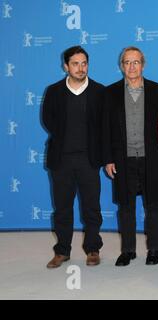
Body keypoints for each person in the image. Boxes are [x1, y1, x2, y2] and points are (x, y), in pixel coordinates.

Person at [42, 46, 104, 268]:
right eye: (76, 63)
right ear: (66, 66)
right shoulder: (54, 91)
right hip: (62, 160)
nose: (81, 68)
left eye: (84, 63)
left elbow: (104, 127)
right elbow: (48, 120)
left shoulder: (99, 91)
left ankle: (93, 248)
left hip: (89, 160)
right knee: (62, 208)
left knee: (91, 207)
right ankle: (62, 251)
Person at [103, 47, 158, 267]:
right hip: (123, 159)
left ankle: (154, 249)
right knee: (126, 207)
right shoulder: (109, 93)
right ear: (121, 66)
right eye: (127, 62)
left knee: (153, 206)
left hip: (151, 158)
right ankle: (128, 250)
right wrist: (109, 159)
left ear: (143, 65)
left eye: (136, 62)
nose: (131, 66)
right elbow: (106, 130)